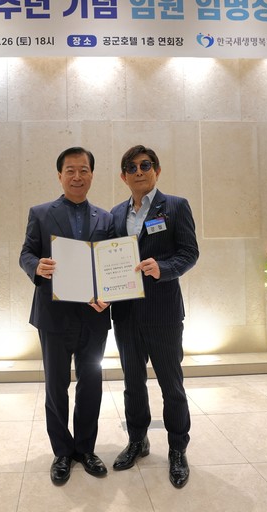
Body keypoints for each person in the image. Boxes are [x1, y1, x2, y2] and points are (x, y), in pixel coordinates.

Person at [19, 147, 115, 485]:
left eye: (83, 170)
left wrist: (110, 294)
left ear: (92, 175)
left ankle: (85, 449)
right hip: (53, 314)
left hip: (94, 315)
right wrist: (37, 265)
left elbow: (111, 264)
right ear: (59, 175)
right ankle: (62, 452)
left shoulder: (106, 219)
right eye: (70, 170)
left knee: (92, 384)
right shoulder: (40, 213)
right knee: (56, 386)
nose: (77, 176)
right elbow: (26, 253)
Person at [110, 145, 199, 488]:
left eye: (145, 165)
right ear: (123, 177)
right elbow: (109, 262)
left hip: (163, 313)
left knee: (171, 385)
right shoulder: (115, 214)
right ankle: (138, 441)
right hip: (125, 314)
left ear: (156, 171)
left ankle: (177, 449)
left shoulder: (175, 206)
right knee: (132, 384)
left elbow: (189, 253)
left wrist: (163, 268)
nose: (139, 171)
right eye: (131, 167)